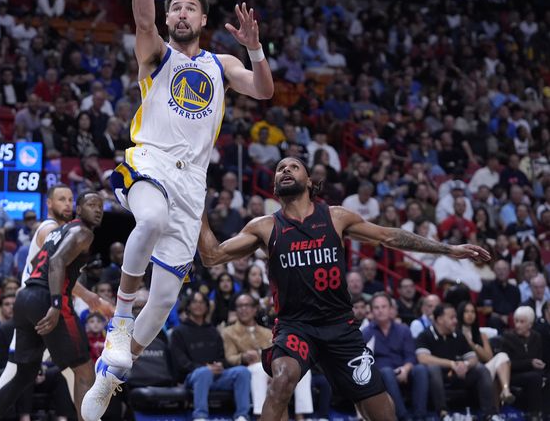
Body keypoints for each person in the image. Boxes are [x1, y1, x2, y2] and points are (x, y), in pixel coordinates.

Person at [84, 0, 274, 420]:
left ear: (204, 20)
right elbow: (141, 17)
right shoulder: (157, 54)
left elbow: (264, 90)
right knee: (148, 219)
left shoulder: (219, 64)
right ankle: (119, 319)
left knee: (166, 296)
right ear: (169, 20)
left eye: (191, 8)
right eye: (177, 9)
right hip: (149, 161)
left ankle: (109, 375)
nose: (183, 14)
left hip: (192, 182)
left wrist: (255, 49)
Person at [194, 157, 491, 421]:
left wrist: (448, 249)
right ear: (273, 186)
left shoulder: (336, 217)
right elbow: (212, 256)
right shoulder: (264, 226)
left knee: (380, 410)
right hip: (295, 326)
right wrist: (198, 203)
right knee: (282, 379)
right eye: (279, 168)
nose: (285, 170)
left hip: (340, 327)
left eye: (293, 166)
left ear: (309, 182)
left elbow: (390, 236)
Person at [0, 191, 104, 421]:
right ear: (79, 210)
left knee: (24, 374)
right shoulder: (82, 232)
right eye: (91, 204)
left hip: (25, 297)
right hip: (47, 298)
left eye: (101, 206)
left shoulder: (59, 231)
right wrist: (56, 304)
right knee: (84, 368)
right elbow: (56, 261)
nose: (98, 210)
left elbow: (37, 261)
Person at [171, 291, 252, 421]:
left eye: (202, 302)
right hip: (192, 377)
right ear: (188, 306)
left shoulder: (213, 331)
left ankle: (242, 416)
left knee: (242, 371)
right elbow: (181, 363)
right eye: (195, 302)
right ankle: (200, 416)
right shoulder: (179, 332)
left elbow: (222, 357)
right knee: (203, 373)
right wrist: (205, 367)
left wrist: (220, 365)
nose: (199, 305)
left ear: (207, 306)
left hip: (217, 376)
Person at [416, 303, 499, 420]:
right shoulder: (425, 335)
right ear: (439, 319)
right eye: (451, 317)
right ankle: (443, 414)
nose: (455, 321)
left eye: (455, 317)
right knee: (433, 368)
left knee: (481, 368)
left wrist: (466, 365)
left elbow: (473, 357)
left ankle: (490, 414)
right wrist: (451, 364)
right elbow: (423, 358)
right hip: (438, 377)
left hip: (458, 375)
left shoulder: (458, 335)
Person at [362, 293, 430, 421]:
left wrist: (405, 369)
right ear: (371, 311)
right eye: (376, 308)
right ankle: (403, 416)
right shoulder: (366, 332)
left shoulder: (403, 329)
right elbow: (366, 362)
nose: (380, 310)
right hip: (381, 374)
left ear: (391, 309)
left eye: (383, 307)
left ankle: (420, 416)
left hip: (404, 369)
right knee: (387, 372)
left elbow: (410, 355)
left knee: (421, 369)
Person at [220, 293, 275, 418]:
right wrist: (243, 357)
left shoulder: (267, 332)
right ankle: (260, 415)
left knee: (301, 371)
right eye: (239, 306)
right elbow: (229, 357)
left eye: (247, 305)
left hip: (270, 368)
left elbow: (276, 354)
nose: (243, 309)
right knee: (259, 368)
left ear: (255, 309)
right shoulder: (228, 332)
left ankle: (303, 416)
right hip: (247, 369)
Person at [457, 301, 514, 404]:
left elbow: (489, 358)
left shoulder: (481, 335)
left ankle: (506, 390)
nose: (470, 315)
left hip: (484, 370)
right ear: (460, 314)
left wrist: (473, 344)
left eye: (472, 312)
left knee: (502, 356)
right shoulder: (455, 333)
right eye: (466, 312)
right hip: (466, 370)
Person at [500, 306, 545, 418]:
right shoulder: (508, 337)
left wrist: (541, 365)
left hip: (533, 374)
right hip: (514, 375)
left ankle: (544, 414)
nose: (518, 325)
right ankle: (534, 415)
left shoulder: (537, 337)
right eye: (516, 321)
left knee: (542, 378)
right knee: (534, 378)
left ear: (530, 324)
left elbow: (539, 358)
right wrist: (530, 363)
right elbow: (506, 364)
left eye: (522, 322)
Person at [478, 259, 521, 332]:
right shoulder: (487, 287)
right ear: (494, 271)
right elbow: (484, 309)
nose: (501, 272)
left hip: (512, 319)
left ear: (509, 271)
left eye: (504, 269)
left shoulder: (515, 290)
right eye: (498, 269)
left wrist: (509, 318)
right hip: (494, 320)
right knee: (494, 320)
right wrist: (501, 317)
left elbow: (518, 309)